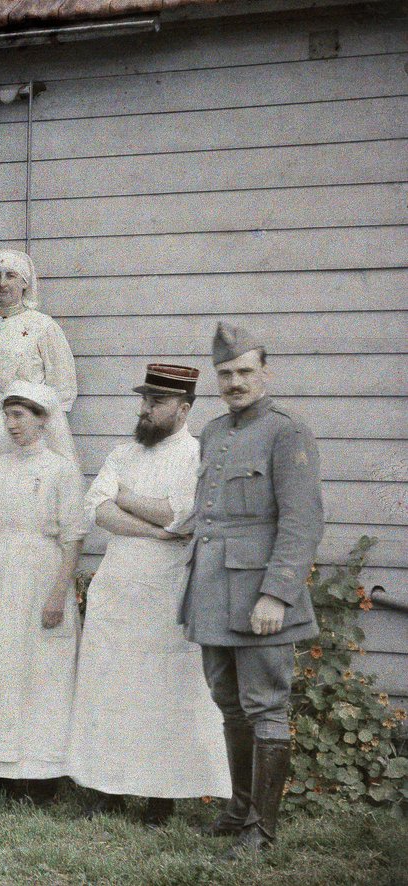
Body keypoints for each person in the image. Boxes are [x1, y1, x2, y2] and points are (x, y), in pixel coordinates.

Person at [181, 323, 323, 858]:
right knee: (229, 705)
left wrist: (278, 594)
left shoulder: (288, 431)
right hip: (213, 588)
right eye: (226, 373)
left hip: (260, 591)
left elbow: (302, 520)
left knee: (266, 705)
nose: (235, 381)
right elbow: (209, 513)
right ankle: (239, 809)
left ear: (265, 373)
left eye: (245, 371)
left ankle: (261, 830)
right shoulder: (214, 432)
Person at [68, 364, 230, 826]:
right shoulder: (123, 453)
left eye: (156, 402)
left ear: (183, 408)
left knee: (164, 693)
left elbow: (182, 516)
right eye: (144, 400)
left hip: (167, 593)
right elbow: (97, 509)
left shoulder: (198, 457)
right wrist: (155, 529)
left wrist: (129, 501)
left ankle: (162, 796)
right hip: (119, 585)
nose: (146, 409)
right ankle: (108, 788)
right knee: (111, 687)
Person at [0, 381, 85, 795]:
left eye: (19, 415)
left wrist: (59, 593)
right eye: (7, 415)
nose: (11, 424)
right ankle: (2, 764)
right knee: (2, 663)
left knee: (41, 667)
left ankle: (42, 772)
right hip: (2, 572)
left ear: (42, 419)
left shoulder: (61, 468)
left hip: (43, 572)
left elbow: (73, 537)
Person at [0, 249, 77, 552]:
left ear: (25, 283)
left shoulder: (43, 326)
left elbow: (63, 387)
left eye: (11, 276)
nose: (2, 283)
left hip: (28, 430)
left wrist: (40, 428)